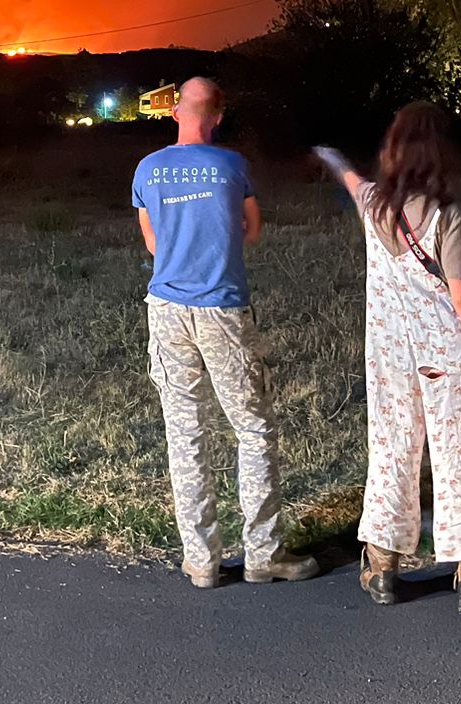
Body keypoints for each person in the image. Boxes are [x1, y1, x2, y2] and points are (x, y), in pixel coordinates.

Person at [314, 102, 461, 616]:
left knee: (393, 453)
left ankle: (382, 567)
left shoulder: (375, 205)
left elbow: (353, 180)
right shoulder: (450, 217)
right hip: (446, 354)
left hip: (390, 357)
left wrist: (329, 156)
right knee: (458, 457)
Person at [132, 77, 319, 588]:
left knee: (186, 433)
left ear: (175, 110)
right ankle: (263, 552)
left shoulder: (147, 170)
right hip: (223, 311)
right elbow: (251, 231)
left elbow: (153, 246)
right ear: (217, 115)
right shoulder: (234, 167)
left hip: (167, 310)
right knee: (253, 429)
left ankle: (201, 560)